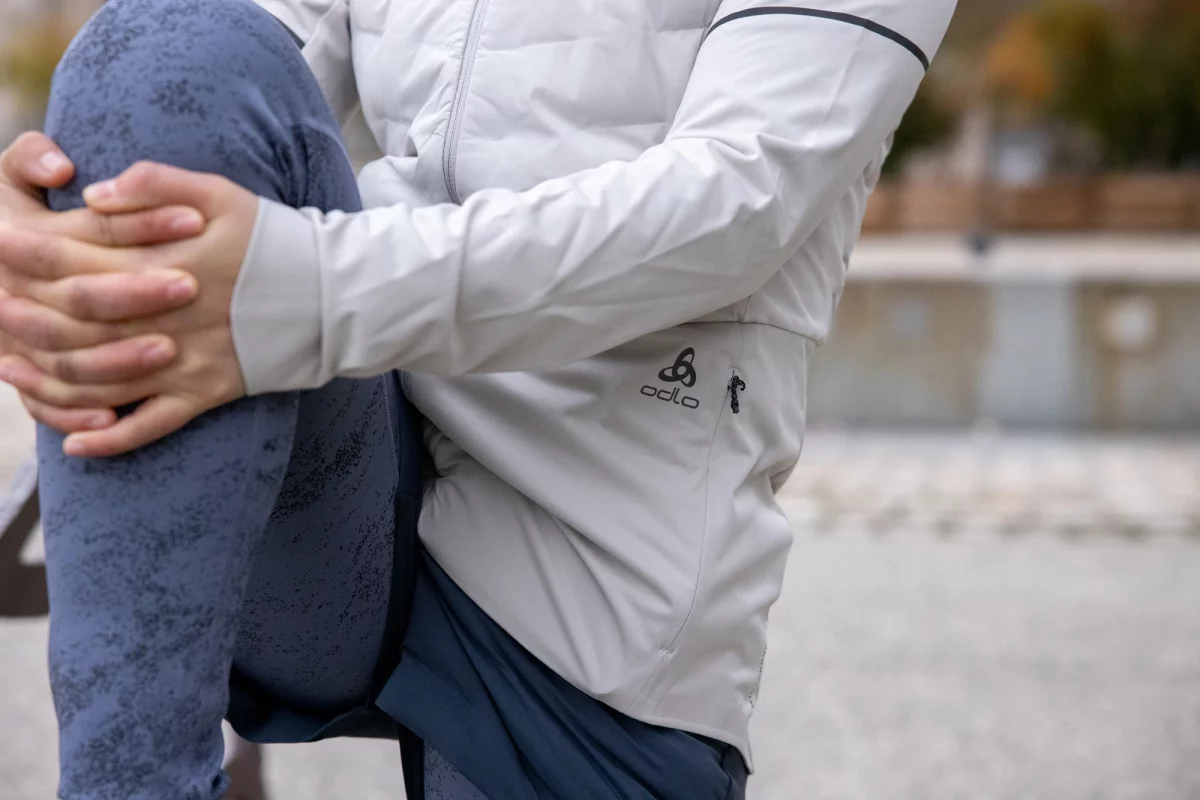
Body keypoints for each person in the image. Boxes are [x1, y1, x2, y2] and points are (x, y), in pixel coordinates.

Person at [0, 0, 956, 797]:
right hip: (349, 470)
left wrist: (313, 291)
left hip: (594, 571)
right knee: (159, 48)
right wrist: (43, 236)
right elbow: (210, 72)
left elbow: (745, 197)